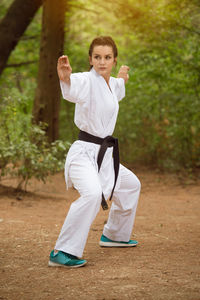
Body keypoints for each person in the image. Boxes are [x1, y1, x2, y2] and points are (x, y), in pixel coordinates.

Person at [48, 36, 141, 268]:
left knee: (131, 185)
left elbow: (117, 89)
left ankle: (114, 235)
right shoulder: (86, 81)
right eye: (97, 57)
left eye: (107, 57)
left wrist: (122, 77)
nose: (102, 62)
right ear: (90, 59)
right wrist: (66, 77)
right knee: (91, 193)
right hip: (84, 154)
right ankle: (62, 251)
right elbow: (72, 87)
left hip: (105, 156)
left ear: (114, 60)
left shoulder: (111, 84)